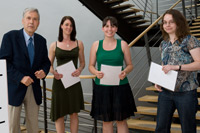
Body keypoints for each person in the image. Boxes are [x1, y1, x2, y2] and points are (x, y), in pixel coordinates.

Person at [0, 7, 51, 133]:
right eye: (28, 18)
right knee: (12, 127)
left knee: (33, 127)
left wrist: (44, 71)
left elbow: (46, 61)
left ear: (38, 23)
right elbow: (3, 63)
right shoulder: (9, 37)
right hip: (14, 88)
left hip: (33, 89)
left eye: (35, 19)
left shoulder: (41, 41)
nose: (31, 22)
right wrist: (21, 77)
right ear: (23, 20)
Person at [89, 16, 137, 133]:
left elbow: (130, 65)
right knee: (106, 121)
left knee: (121, 120)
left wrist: (125, 71)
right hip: (102, 88)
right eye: (107, 26)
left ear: (116, 29)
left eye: (113, 26)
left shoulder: (123, 44)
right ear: (102, 28)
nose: (109, 29)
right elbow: (91, 66)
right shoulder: (96, 45)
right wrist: (96, 72)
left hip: (120, 87)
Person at [155, 9, 200, 133]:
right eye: (165, 22)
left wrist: (177, 67)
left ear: (179, 23)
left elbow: (199, 63)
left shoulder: (190, 40)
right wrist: (158, 80)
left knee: (188, 129)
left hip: (186, 92)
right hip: (165, 92)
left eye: (171, 22)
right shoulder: (163, 44)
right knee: (161, 128)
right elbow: (164, 64)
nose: (167, 25)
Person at [49, 16, 85, 133]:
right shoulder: (54, 45)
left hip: (73, 82)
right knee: (59, 113)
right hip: (59, 83)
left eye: (71, 25)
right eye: (66, 24)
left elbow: (83, 63)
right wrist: (53, 72)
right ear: (61, 26)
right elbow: (49, 65)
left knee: (74, 113)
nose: (69, 27)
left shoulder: (79, 43)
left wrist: (79, 69)